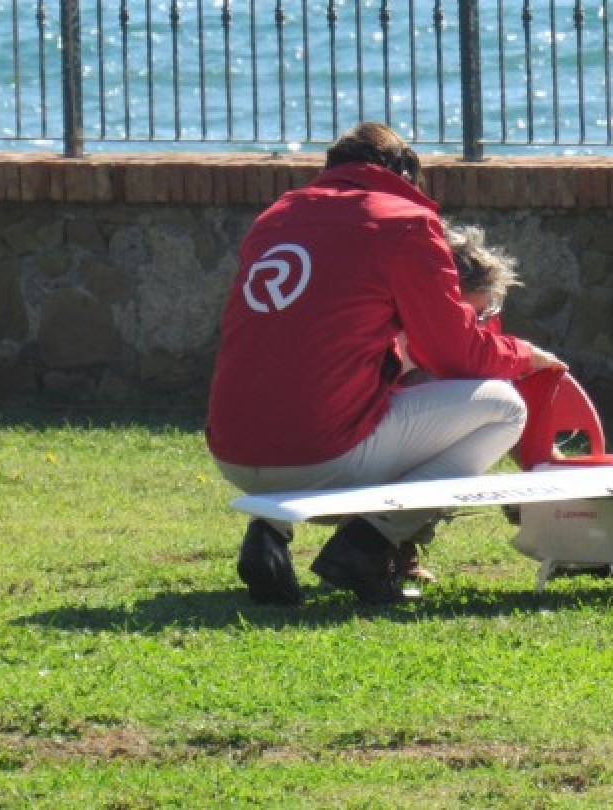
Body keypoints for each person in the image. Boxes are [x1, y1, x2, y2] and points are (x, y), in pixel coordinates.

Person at [206, 122, 565, 606]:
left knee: (312, 381)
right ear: (404, 173)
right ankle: (370, 544)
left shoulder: (274, 218)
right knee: (504, 408)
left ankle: (267, 533)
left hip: (232, 453)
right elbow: (454, 354)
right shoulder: (404, 223)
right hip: (320, 458)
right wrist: (522, 356)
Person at [390, 222, 523, 583]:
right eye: (468, 314)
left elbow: (500, 395)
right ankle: (389, 547)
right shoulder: (402, 322)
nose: (476, 324)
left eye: (482, 315)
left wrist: (536, 475)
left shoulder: (482, 326)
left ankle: (398, 547)